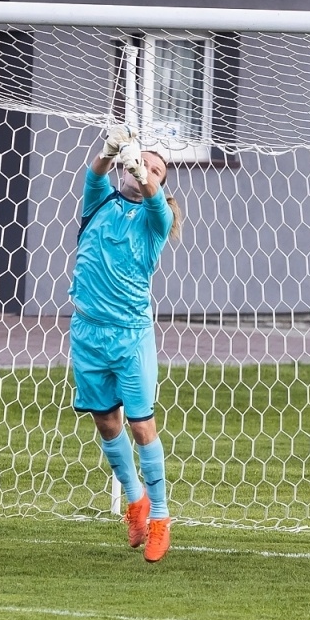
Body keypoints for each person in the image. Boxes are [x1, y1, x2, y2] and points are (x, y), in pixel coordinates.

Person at [71, 124, 182, 563]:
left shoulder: (159, 219)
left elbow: (155, 198)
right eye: (143, 164)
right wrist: (109, 150)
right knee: (105, 422)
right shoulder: (100, 202)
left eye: (156, 170)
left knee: (140, 424)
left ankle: (161, 518)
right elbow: (93, 176)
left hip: (130, 335)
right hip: (86, 332)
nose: (146, 173)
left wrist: (144, 173)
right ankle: (135, 503)